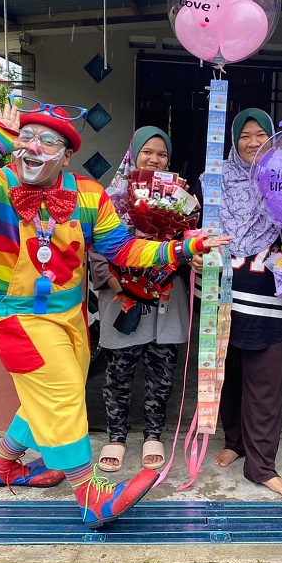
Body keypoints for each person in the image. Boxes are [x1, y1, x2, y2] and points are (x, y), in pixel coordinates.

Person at [0, 103, 229, 528]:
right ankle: (90, 494)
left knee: (49, 393)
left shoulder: (87, 193)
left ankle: (0, 464)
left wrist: (182, 248)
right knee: (64, 394)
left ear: (66, 155)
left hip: (69, 316)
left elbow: (122, 250)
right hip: (14, 316)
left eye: (48, 141)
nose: (34, 147)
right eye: (26, 137)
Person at [191, 108, 282, 498]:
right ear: (233, 140)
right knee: (227, 372)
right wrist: (195, 250)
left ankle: (262, 465)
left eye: (260, 135)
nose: (253, 142)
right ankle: (234, 442)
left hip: (268, 294)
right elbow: (198, 228)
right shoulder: (213, 180)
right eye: (245, 135)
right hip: (219, 291)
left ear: (273, 139)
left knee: (265, 381)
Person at [90, 126, 190, 473]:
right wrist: (124, 288)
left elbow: (187, 243)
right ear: (133, 153)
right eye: (148, 151)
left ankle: (152, 436)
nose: (155, 159)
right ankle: (116, 437)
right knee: (119, 371)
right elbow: (96, 250)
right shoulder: (110, 197)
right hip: (123, 298)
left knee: (161, 370)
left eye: (162, 154)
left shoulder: (179, 198)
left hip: (166, 295)